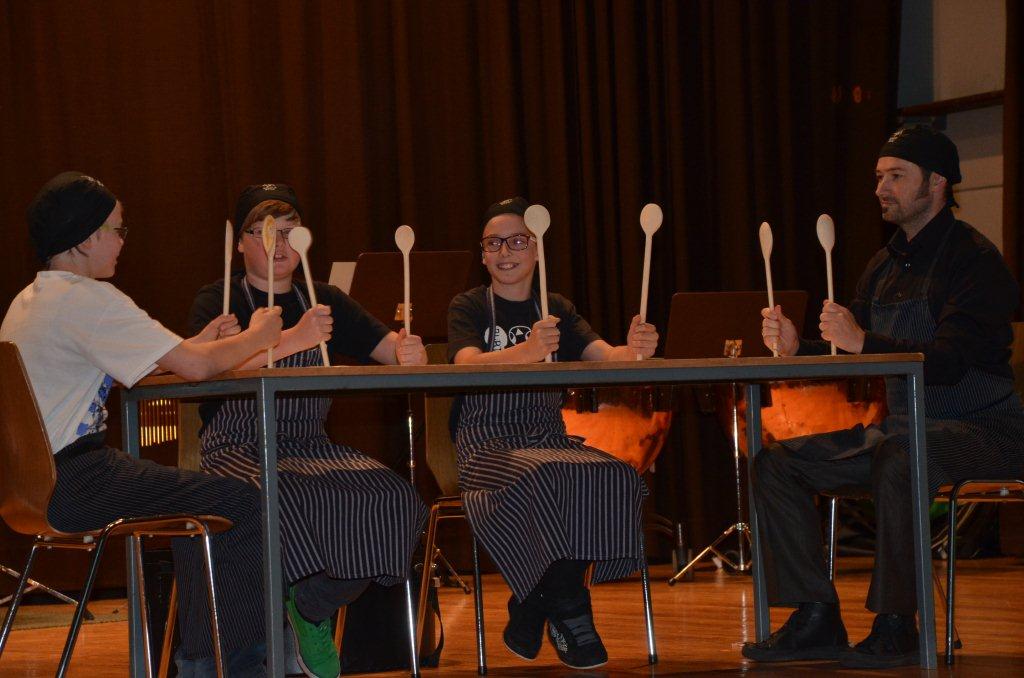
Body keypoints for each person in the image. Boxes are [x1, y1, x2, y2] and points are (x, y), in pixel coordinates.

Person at [745, 126, 1024, 669]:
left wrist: (861, 341)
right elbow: (850, 349)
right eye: (878, 177)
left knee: (900, 457)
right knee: (776, 463)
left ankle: (897, 622)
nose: (881, 188)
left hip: (986, 430)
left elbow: (948, 361)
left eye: (897, 176)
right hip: (904, 429)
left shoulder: (975, 260)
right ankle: (815, 613)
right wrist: (798, 347)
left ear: (937, 182)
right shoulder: (884, 264)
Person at [0, 172, 283, 676]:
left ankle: (200, 658)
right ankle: (223, 666)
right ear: (86, 238)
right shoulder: (90, 300)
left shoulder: (30, 300)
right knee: (239, 503)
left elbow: (164, 359)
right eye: (117, 230)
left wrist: (201, 342)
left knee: (200, 505)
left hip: (34, 487)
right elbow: (195, 367)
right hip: (78, 481)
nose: (122, 241)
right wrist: (261, 335)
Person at [188, 183, 428, 678]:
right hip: (237, 447)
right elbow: (202, 370)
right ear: (240, 244)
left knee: (396, 499)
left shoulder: (322, 298)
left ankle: (311, 606)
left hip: (308, 444)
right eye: (265, 232)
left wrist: (408, 351)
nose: (279, 244)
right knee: (288, 496)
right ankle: (272, 628)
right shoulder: (220, 300)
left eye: (289, 232)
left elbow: (388, 348)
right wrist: (293, 339)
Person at [446, 197, 658, 670]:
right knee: (547, 477)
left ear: (537, 249)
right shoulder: (469, 305)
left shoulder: (556, 307)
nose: (505, 252)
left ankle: (535, 601)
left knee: (614, 475)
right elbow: (466, 364)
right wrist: (527, 350)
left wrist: (635, 348)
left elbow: (606, 355)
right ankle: (571, 610)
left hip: (548, 438)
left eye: (517, 241)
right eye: (494, 243)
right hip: (487, 443)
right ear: (482, 255)